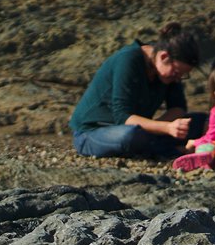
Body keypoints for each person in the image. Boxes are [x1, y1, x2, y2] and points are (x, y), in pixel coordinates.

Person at [70, 22, 205, 159]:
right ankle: (171, 150)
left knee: (203, 120)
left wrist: (166, 127)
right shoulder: (129, 60)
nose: (178, 79)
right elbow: (123, 116)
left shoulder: (168, 74)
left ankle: (162, 147)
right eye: (176, 72)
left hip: (140, 130)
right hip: (93, 133)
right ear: (164, 57)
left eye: (183, 75)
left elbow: (178, 108)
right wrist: (166, 128)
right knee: (131, 135)